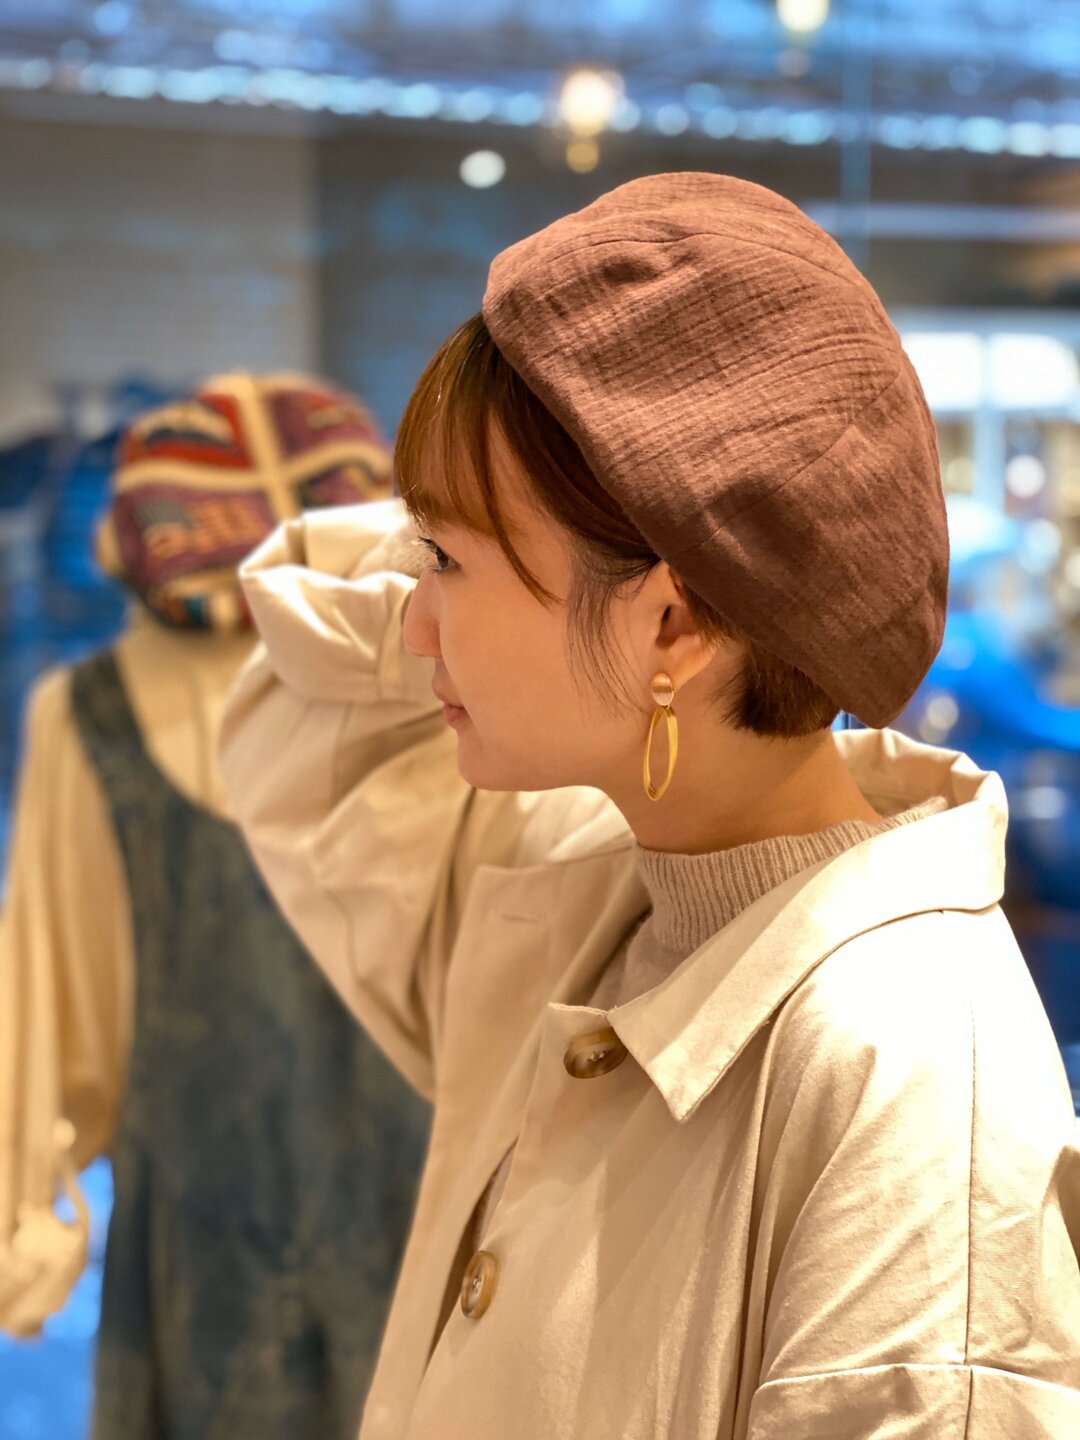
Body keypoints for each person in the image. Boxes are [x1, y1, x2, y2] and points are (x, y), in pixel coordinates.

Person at [220, 176, 1080, 1439]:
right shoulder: (588, 884)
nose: (413, 625)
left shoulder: (905, 1080)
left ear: (672, 620)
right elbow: (304, 702)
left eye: (444, 561)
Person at [0, 372, 428, 1439]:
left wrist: (29, 1209)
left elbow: (60, 1022)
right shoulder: (434, 694)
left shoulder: (90, 717)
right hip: (361, 1240)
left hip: (235, 1258)